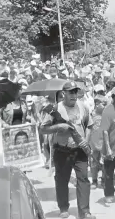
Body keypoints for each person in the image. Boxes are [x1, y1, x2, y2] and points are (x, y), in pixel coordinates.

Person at [39, 81, 95, 219]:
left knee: (83, 179)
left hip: (80, 150)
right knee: (62, 180)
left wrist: (85, 141)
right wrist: (58, 128)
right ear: (63, 94)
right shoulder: (55, 109)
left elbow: (89, 125)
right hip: (62, 150)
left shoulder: (83, 107)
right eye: (71, 92)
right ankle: (63, 208)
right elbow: (42, 129)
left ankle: (85, 211)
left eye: (75, 92)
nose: (74, 95)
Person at [90, 95, 107, 190]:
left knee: (105, 162)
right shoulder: (91, 115)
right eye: (103, 104)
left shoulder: (106, 115)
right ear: (96, 104)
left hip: (104, 142)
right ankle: (94, 180)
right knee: (93, 162)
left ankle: (103, 180)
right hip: (93, 143)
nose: (105, 106)